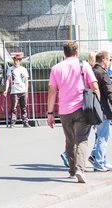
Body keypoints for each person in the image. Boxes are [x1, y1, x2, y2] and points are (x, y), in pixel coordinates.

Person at [47, 41, 100, 183]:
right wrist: (98, 106)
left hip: (64, 110)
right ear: (76, 52)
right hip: (82, 108)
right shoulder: (84, 65)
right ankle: (80, 170)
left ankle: (72, 170)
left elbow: (52, 91)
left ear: (64, 53)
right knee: (81, 139)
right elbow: (94, 86)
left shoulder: (56, 68)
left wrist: (50, 113)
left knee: (69, 140)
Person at [89, 51, 112, 172]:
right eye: (108, 59)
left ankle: (102, 160)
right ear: (103, 59)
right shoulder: (103, 73)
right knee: (103, 136)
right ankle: (99, 163)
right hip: (104, 109)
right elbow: (109, 92)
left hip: (93, 108)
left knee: (100, 136)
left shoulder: (92, 71)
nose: (109, 62)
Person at [3, 56, 30, 128]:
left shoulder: (23, 69)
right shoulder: (10, 69)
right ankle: (12, 122)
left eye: (17, 60)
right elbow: (8, 79)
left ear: (20, 61)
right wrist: (6, 89)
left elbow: (26, 80)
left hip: (23, 90)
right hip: (14, 91)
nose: (16, 62)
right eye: (15, 60)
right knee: (14, 107)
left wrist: (26, 90)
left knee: (23, 107)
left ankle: (25, 121)